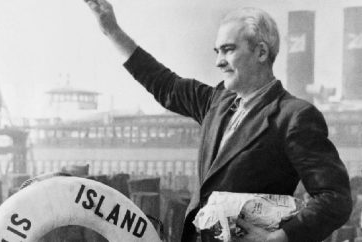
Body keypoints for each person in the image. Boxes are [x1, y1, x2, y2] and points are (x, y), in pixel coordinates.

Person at [83, 1, 352, 241]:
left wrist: (281, 238)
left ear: (260, 52)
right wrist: (112, 31)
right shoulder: (216, 102)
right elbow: (162, 83)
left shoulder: (294, 116)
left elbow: (335, 199)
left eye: (228, 50)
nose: (218, 62)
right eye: (217, 51)